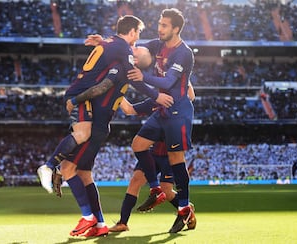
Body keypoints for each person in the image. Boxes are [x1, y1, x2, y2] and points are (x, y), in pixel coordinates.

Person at [37, 15, 173, 194]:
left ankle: (55, 171)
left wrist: (102, 42)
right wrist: (156, 96)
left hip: (88, 100)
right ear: (132, 32)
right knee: (82, 143)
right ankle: (49, 167)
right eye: (138, 33)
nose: (138, 39)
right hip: (84, 98)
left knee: (81, 156)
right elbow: (125, 85)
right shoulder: (123, 52)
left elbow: (126, 101)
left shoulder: (113, 45)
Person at [57, 45, 164, 237]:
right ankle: (99, 225)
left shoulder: (127, 68)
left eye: (140, 49)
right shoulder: (123, 67)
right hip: (95, 123)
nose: (136, 47)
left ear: (137, 61)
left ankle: (89, 217)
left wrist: (75, 100)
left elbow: (104, 87)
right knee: (84, 174)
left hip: (95, 125)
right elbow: (128, 107)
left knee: (67, 169)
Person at [126, 8, 196, 233]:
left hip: (178, 112)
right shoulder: (157, 45)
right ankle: (156, 188)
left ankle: (184, 208)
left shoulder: (183, 53)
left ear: (176, 29)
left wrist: (142, 76)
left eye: (165, 25)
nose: (160, 28)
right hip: (161, 109)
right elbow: (135, 48)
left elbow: (167, 82)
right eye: (160, 24)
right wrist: (106, 43)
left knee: (177, 159)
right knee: (138, 144)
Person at [109, 81, 196, 232]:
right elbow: (129, 109)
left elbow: (191, 96)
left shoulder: (180, 101)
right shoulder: (155, 101)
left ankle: (187, 211)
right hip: (153, 154)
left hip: (170, 155)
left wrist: (184, 80)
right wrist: (116, 92)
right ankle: (123, 223)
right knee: (135, 181)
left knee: (167, 190)